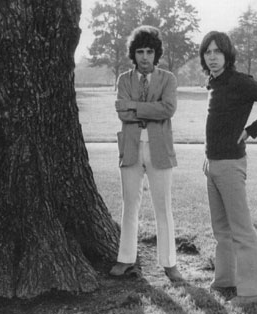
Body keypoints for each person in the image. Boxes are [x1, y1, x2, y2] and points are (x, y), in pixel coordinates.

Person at [199, 31, 257, 306]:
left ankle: (249, 293)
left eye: (217, 51)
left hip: (231, 165)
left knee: (241, 231)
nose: (212, 57)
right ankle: (225, 280)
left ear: (227, 54)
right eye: (208, 52)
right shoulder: (214, 83)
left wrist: (252, 129)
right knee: (221, 229)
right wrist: (208, 156)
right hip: (213, 163)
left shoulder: (240, 82)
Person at [109, 25, 183, 282]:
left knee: (163, 207)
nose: (144, 57)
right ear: (133, 54)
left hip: (159, 149)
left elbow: (168, 109)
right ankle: (126, 259)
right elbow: (122, 112)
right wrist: (142, 108)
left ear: (156, 53)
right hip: (130, 149)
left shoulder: (168, 79)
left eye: (149, 51)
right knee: (130, 206)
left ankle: (170, 263)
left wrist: (134, 106)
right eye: (139, 51)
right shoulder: (124, 79)